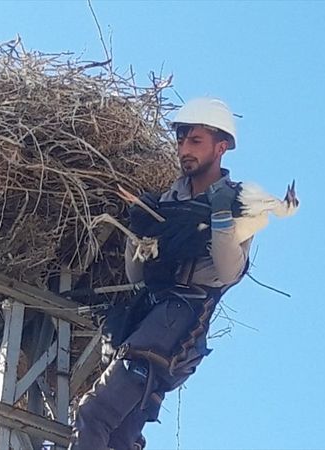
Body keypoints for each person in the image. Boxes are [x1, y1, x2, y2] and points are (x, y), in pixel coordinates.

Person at [69, 97, 253, 450]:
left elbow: (230, 272)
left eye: (195, 141)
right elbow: (136, 275)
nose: (185, 149)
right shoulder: (169, 199)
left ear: (222, 146)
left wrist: (219, 218)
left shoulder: (237, 202)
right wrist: (141, 233)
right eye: (182, 141)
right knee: (120, 435)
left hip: (181, 317)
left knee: (95, 412)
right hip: (147, 312)